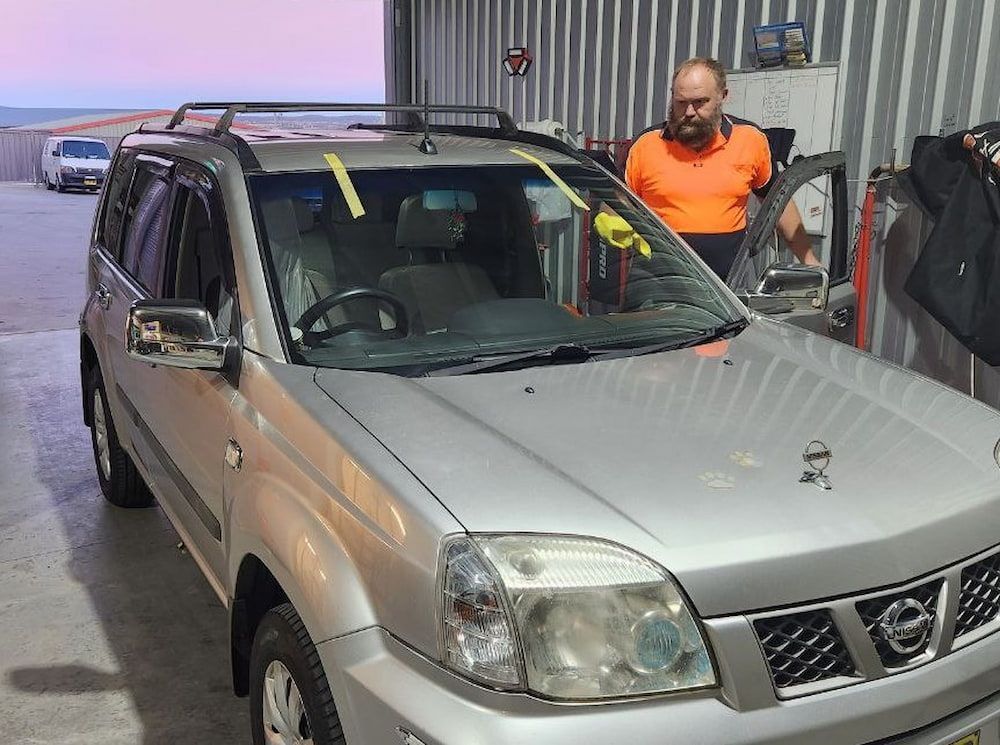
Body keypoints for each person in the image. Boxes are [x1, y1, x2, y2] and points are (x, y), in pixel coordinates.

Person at [625, 57, 820, 279]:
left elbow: (779, 203)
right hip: (659, 281)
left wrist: (808, 258)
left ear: (723, 96)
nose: (688, 112)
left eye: (700, 102)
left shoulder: (750, 140)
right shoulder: (646, 144)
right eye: (680, 102)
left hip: (729, 284)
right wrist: (609, 219)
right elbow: (617, 200)